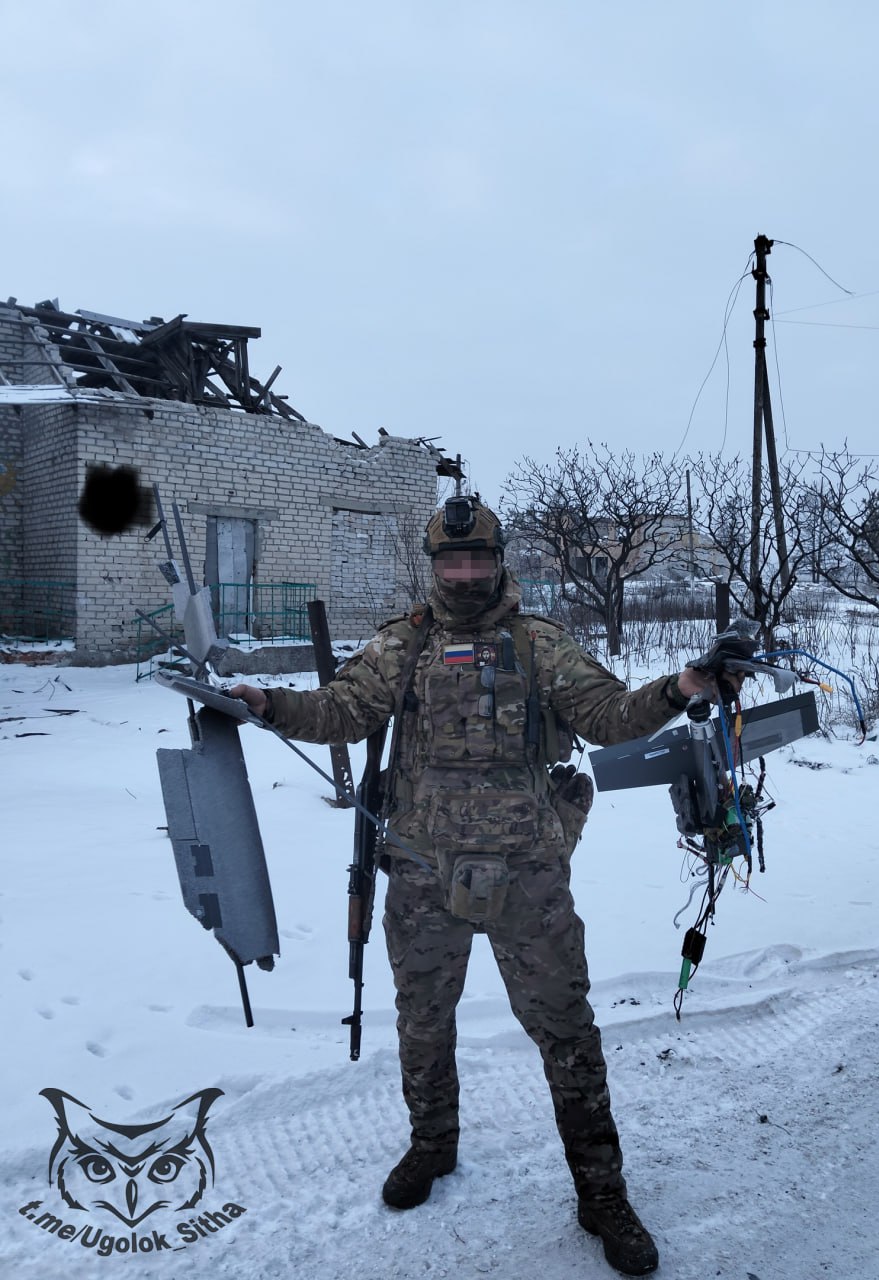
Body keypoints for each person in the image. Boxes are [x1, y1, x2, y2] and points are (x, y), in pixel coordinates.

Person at [230, 497, 742, 1277]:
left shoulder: (539, 645)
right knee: (423, 1023)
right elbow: (340, 710)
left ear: (500, 561)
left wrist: (680, 687)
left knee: (566, 1030)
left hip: (526, 877)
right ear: (433, 566)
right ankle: (431, 1146)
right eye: (450, 561)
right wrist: (270, 705)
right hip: (422, 874)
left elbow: (607, 716)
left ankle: (600, 1192)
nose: (465, 574)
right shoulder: (403, 644)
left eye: (477, 560)